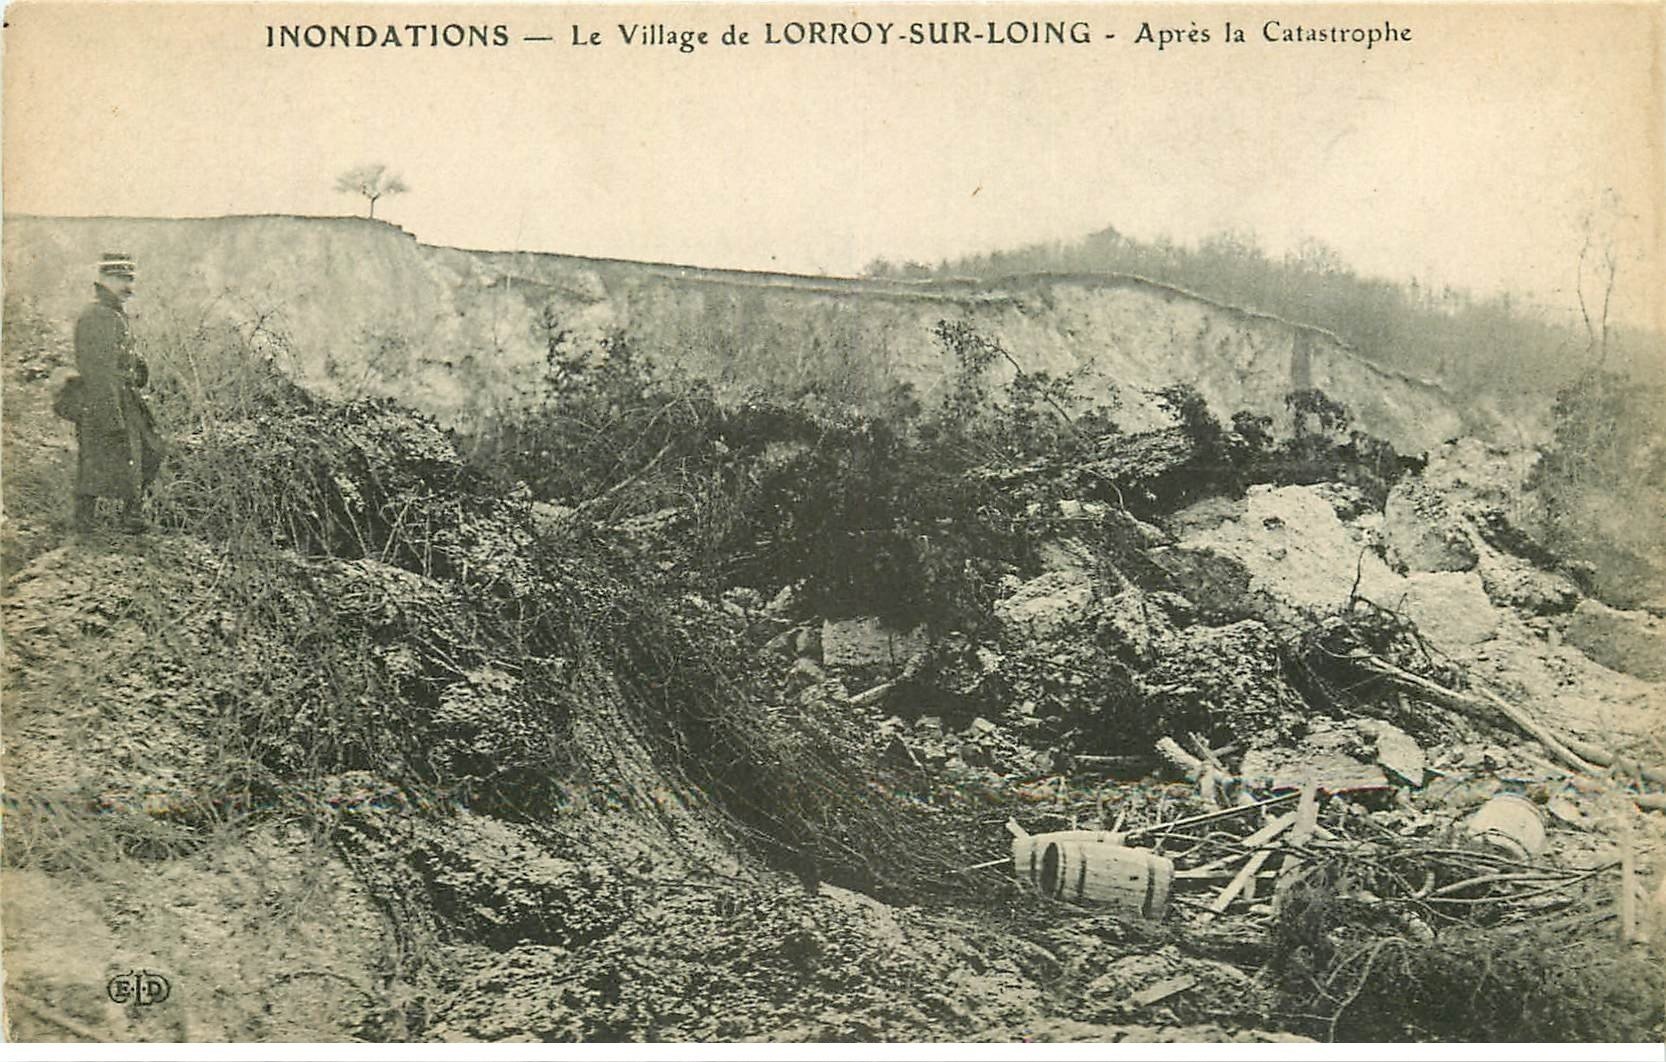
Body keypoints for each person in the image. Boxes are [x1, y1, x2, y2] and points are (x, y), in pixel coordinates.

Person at [71, 253, 163, 532]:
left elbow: (118, 355)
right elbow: (98, 369)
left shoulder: (111, 312)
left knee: (148, 448)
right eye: (121, 279)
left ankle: (128, 515)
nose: (128, 287)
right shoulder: (97, 315)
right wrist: (110, 413)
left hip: (122, 393)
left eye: (129, 279)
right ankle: (88, 521)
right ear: (104, 280)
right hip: (104, 397)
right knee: (99, 455)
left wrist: (139, 367)